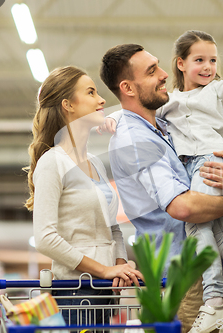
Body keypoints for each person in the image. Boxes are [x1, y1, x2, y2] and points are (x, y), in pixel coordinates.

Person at [100, 31, 223, 333]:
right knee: (213, 234)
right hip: (184, 270)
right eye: (152, 71)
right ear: (128, 87)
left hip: (191, 266)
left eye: (212, 60)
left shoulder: (163, 125)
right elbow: (184, 208)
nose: (163, 75)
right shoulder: (137, 137)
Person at [24, 66, 143, 326]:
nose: (101, 100)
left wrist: (120, 267)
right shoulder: (52, 162)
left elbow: (113, 229)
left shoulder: (95, 163)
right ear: (68, 105)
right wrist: (104, 270)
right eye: (91, 92)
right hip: (75, 293)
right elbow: (44, 238)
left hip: (106, 292)